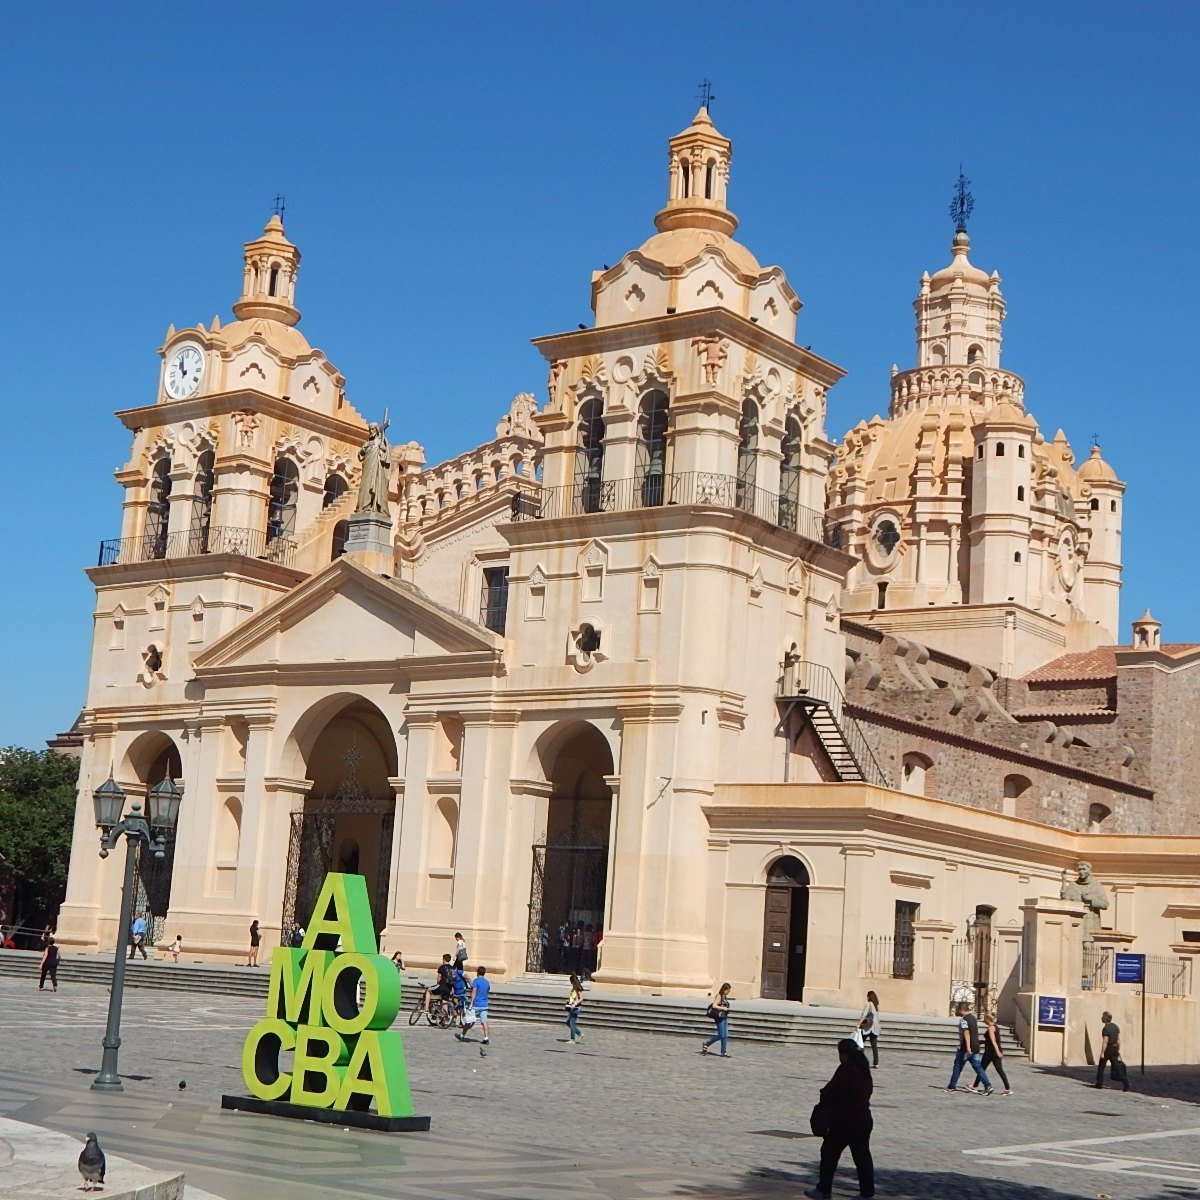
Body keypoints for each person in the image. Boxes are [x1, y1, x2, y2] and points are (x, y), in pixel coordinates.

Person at [805, 1038, 875, 1200]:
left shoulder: (847, 1069)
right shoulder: (864, 1069)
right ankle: (867, 1193)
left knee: (829, 1152)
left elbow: (833, 1091)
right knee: (862, 1156)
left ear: (844, 1054)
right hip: (863, 1118)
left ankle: (824, 1189)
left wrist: (824, 1094)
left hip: (845, 1119)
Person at [945, 1001, 992, 1093]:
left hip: (965, 1048)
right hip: (975, 1046)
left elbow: (966, 1032)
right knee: (978, 1067)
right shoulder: (973, 1018)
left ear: (962, 1009)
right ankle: (988, 1085)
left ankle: (951, 1087)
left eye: (958, 1009)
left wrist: (968, 1047)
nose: (956, 1010)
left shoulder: (964, 1019)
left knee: (958, 1066)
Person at [973, 1012, 1012, 1095]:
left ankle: (975, 1086)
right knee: (998, 1070)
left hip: (991, 1052)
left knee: (981, 1068)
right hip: (993, 1051)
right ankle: (1007, 1088)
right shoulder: (996, 1027)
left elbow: (994, 1041)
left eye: (984, 1018)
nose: (983, 1020)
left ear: (988, 1019)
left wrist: (997, 1052)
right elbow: (991, 1041)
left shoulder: (990, 1028)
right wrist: (983, 1042)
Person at [1095, 1010, 1130, 1091]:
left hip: (1108, 1049)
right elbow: (1118, 1040)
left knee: (1101, 1066)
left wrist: (1102, 1053)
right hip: (1114, 1049)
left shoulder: (1105, 1029)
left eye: (1102, 1016)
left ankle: (1099, 1083)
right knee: (1117, 1067)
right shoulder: (1115, 1027)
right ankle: (1125, 1081)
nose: (1101, 1018)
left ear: (1105, 1018)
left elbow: (1105, 1041)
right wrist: (1118, 1050)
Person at [702, 982, 733, 1057]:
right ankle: (707, 1043)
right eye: (728, 990)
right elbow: (714, 1005)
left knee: (725, 1035)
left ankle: (723, 1052)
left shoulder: (724, 997)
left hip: (724, 1017)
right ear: (724, 989)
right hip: (719, 1018)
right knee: (721, 1035)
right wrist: (723, 1008)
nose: (728, 992)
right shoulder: (719, 996)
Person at [859, 990, 880, 1068]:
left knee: (861, 1043)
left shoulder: (869, 1004)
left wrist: (859, 1023)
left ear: (869, 997)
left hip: (867, 1027)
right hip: (875, 1028)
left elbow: (864, 1014)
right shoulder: (876, 1005)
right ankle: (876, 1063)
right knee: (874, 1046)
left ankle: (861, 1061)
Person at [564, 973, 584, 1043]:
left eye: (571, 982)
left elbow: (581, 998)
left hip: (576, 1008)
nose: (571, 983)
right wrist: (568, 1002)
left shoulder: (578, 988)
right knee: (568, 1022)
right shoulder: (573, 988)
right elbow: (573, 997)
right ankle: (579, 1033)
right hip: (572, 1007)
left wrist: (575, 1003)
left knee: (572, 1023)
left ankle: (572, 1039)